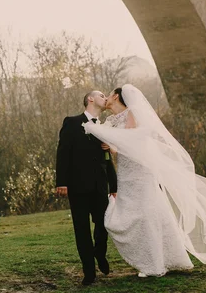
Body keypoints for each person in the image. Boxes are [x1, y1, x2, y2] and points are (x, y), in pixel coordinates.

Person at [83, 84, 206, 277]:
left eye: (110, 94)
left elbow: (135, 141)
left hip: (140, 172)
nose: (108, 97)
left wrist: (107, 142)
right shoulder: (111, 120)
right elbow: (119, 139)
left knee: (147, 213)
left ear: (118, 97)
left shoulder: (133, 115)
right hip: (125, 174)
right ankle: (169, 257)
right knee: (146, 212)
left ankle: (153, 263)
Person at [56, 90, 117, 285]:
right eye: (101, 94)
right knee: (81, 229)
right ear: (90, 99)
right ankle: (89, 271)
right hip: (77, 186)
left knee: (103, 224)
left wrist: (113, 184)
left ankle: (100, 253)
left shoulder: (104, 127)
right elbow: (63, 153)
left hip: (100, 185)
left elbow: (107, 160)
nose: (104, 97)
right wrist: (61, 182)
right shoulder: (72, 122)